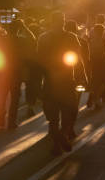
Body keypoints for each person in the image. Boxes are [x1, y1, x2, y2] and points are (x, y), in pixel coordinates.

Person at [37, 12, 87, 154]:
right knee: (67, 115)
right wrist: (82, 77)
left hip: (50, 83)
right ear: (63, 22)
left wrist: (36, 83)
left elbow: (38, 62)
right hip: (66, 82)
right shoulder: (71, 37)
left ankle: (58, 143)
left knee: (53, 119)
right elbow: (78, 59)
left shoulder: (44, 38)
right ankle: (62, 138)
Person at [88, 24, 105, 109]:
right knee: (103, 82)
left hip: (93, 63)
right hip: (102, 63)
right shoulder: (104, 41)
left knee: (94, 82)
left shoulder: (90, 40)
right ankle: (99, 99)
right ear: (103, 31)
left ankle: (92, 99)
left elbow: (88, 52)